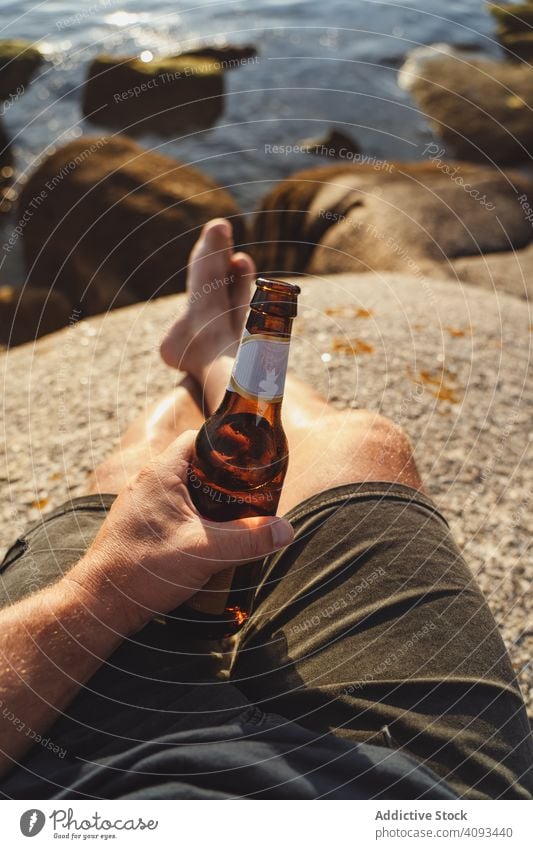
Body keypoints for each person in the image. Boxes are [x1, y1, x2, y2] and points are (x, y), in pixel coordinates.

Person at [0, 220, 531, 800]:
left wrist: (97, 592)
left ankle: (205, 355)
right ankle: (212, 352)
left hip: (64, 776)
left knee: (127, 476)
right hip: (399, 793)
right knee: (358, 441)